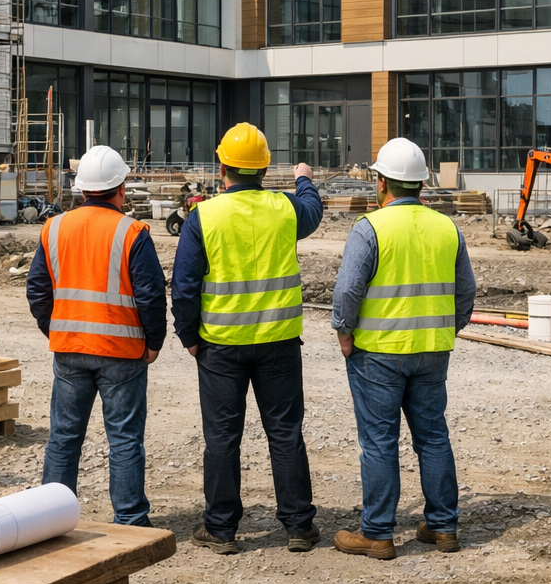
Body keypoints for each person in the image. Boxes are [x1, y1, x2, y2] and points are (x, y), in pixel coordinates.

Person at [172, 123, 324, 555]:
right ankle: (298, 526)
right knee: (285, 433)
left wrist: (189, 336)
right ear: (264, 169)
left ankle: (221, 529)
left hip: (220, 346)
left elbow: (184, 286)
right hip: (278, 342)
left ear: (222, 167)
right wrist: (303, 178)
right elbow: (313, 208)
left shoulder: (205, 216)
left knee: (222, 437)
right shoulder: (285, 209)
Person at [330, 137, 476, 560]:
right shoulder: (447, 227)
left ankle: (377, 532)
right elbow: (465, 292)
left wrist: (344, 332)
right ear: (422, 186)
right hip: (432, 351)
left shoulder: (370, 228)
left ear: (380, 183)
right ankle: (443, 526)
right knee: (432, 437)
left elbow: (347, 291)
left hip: (377, 353)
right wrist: (448, 329)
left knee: (379, 442)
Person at [26, 145, 167, 527]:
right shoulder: (132, 231)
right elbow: (151, 294)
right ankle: (131, 519)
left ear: (81, 188)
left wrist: (55, 329)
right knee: (123, 439)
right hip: (122, 351)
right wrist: (153, 343)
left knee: (64, 437)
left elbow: (37, 290)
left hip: (70, 349)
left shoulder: (54, 227)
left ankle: (48, 520)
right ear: (120, 188)